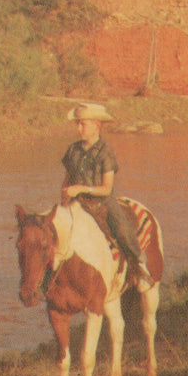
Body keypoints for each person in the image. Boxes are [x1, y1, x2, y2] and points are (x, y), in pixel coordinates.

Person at [60, 102, 153, 288]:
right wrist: (64, 200)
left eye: (83, 124)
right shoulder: (73, 150)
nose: (79, 128)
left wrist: (81, 189)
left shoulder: (106, 152)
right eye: (77, 124)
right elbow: (67, 178)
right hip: (77, 203)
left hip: (101, 202)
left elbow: (107, 189)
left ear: (97, 125)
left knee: (121, 227)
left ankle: (138, 265)